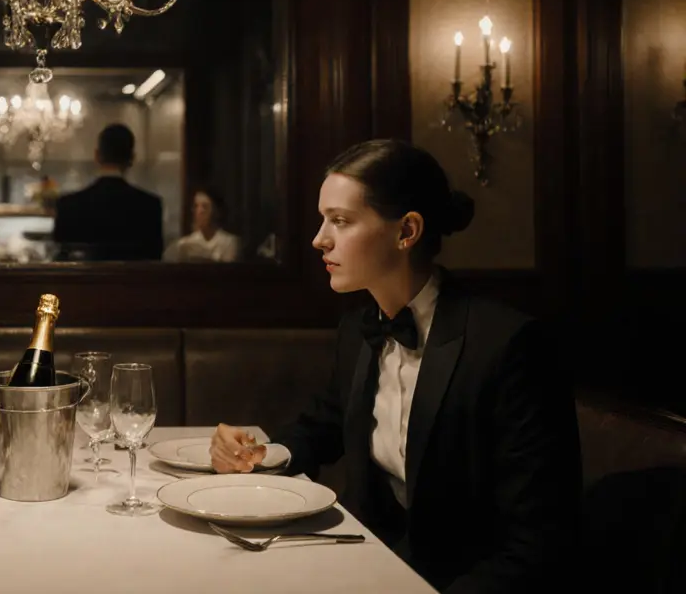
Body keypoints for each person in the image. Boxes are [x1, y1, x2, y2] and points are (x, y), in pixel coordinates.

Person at [210, 139, 580, 593]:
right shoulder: (358, 330)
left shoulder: (508, 346)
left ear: (406, 231)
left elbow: (539, 542)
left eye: (340, 221)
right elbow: (324, 425)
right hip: (364, 564)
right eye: (323, 219)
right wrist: (258, 453)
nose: (318, 238)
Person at [52, 123, 163, 261]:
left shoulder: (68, 205)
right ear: (132, 159)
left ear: (97, 155)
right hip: (131, 283)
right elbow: (154, 264)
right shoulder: (150, 206)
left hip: (84, 283)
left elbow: (60, 264)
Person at [162, 186, 240, 262]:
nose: (199, 211)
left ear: (217, 211)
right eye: (196, 206)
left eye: (205, 207)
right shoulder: (187, 243)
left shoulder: (228, 242)